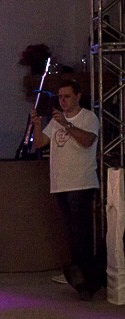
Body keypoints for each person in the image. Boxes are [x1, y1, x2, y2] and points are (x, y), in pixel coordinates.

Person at [31, 79, 103, 300]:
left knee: (81, 232)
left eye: (67, 96)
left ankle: (88, 278)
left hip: (80, 182)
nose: (62, 101)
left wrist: (67, 125)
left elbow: (88, 141)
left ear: (78, 96)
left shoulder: (88, 117)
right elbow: (39, 143)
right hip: (60, 183)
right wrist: (37, 124)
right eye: (60, 97)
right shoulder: (56, 121)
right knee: (70, 232)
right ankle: (80, 276)